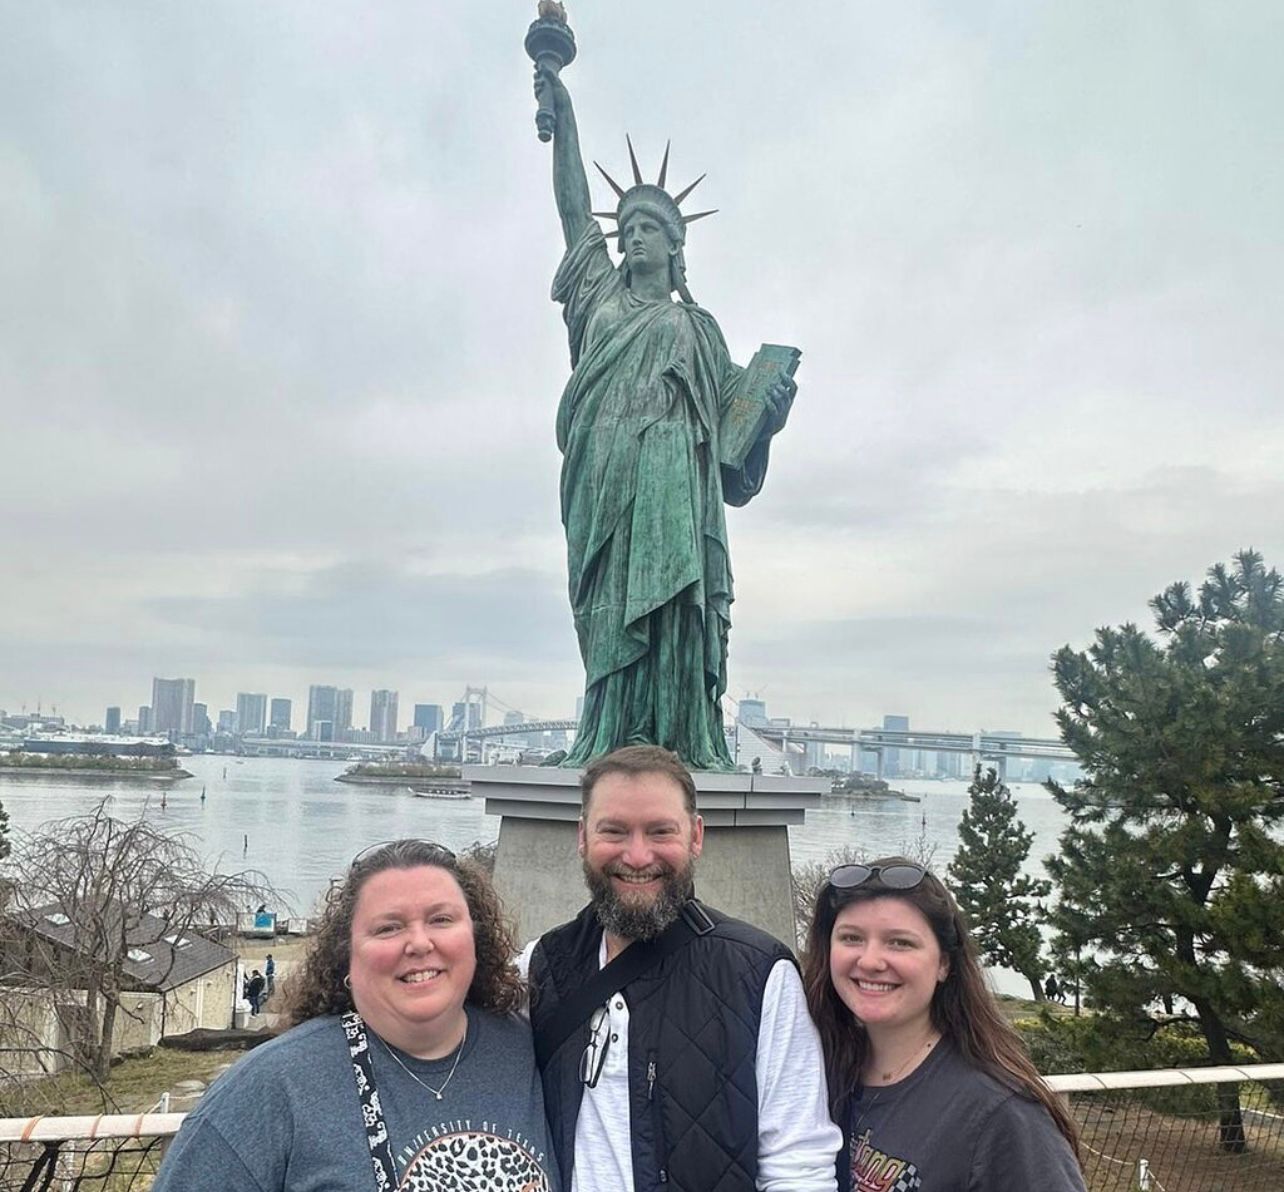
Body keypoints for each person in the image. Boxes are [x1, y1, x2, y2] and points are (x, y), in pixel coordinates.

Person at [534, 65, 797, 771]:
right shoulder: (599, 299)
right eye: (629, 227)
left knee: (679, 610)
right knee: (606, 607)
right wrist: (563, 113)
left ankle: (680, 735)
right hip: (604, 477)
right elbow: (572, 210)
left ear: (676, 244)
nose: (635, 236)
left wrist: (770, 416)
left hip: (676, 484)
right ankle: (609, 734)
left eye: (651, 226)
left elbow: (734, 444)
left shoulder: (700, 329)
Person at [154, 840, 558, 1190]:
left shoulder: (529, 1049)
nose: (419, 942)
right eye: (387, 928)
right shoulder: (272, 1088)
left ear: (476, 937)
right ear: (347, 956)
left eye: (441, 919)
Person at [525, 745, 840, 1191]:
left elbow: (798, 1165)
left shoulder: (759, 975)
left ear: (695, 836)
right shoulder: (540, 967)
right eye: (614, 831)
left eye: (660, 832)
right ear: (583, 837)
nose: (636, 856)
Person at [802, 858, 1086, 1191]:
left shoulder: (1001, 1113)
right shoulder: (818, 1074)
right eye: (851, 938)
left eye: (900, 942)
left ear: (944, 964)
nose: (870, 961)